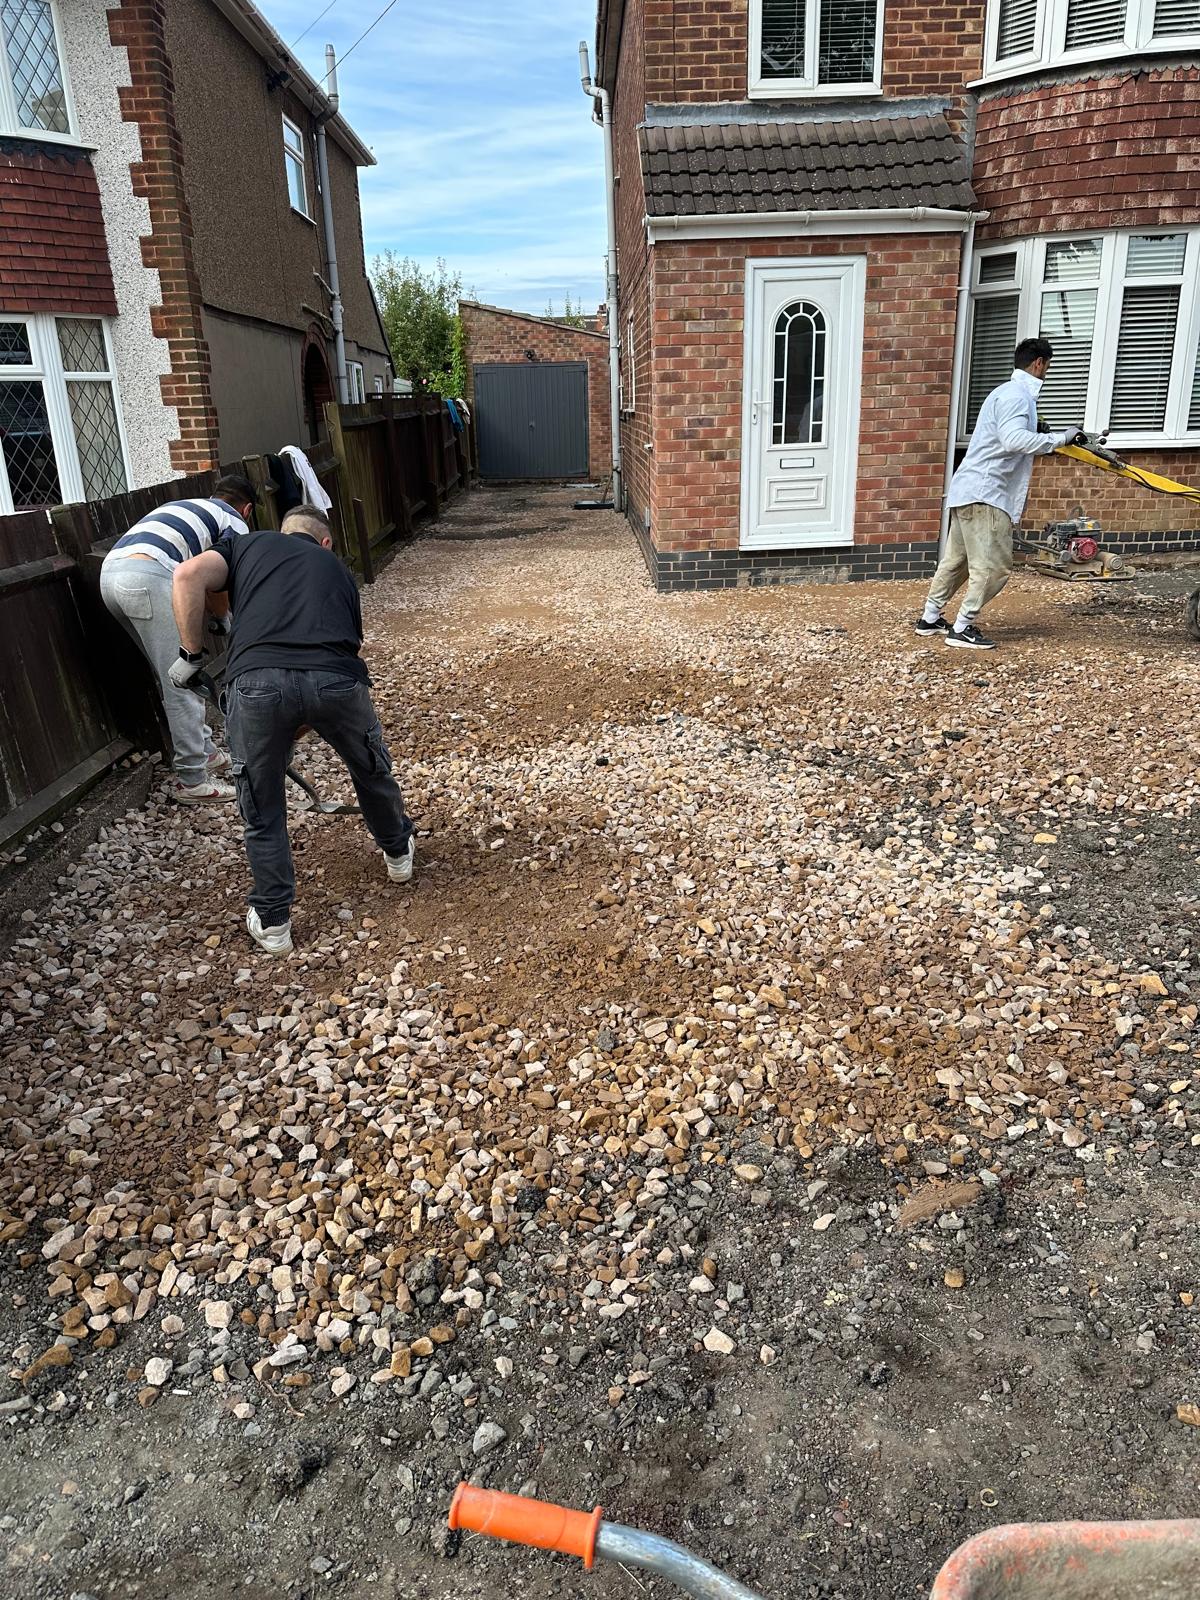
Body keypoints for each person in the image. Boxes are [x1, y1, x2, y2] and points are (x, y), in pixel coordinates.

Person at [168, 504, 415, 956]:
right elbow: (348, 644)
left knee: (262, 804)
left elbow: (187, 576)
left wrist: (191, 655)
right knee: (370, 769)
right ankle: (398, 852)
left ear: (282, 532)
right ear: (325, 542)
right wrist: (305, 715)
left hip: (256, 682)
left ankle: (274, 921)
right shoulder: (338, 571)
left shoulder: (245, 545)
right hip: (337, 680)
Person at [916, 338, 1082, 651]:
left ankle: (930, 618)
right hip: (987, 494)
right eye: (1048, 366)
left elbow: (1007, 435)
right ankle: (962, 627)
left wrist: (1039, 432)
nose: (1047, 372)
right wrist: (1061, 439)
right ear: (1039, 364)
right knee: (994, 567)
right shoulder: (1019, 396)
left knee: (957, 562)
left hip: (969, 490)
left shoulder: (1003, 392)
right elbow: (1013, 439)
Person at [100, 476, 255, 800]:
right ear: (248, 509)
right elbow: (220, 578)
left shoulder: (190, 508)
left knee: (174, 673)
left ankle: (206, 753)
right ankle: (193, 781)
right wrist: (225, 620)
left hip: (110, 575)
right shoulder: (234, 522)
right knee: (183, 678)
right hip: (148, 578)